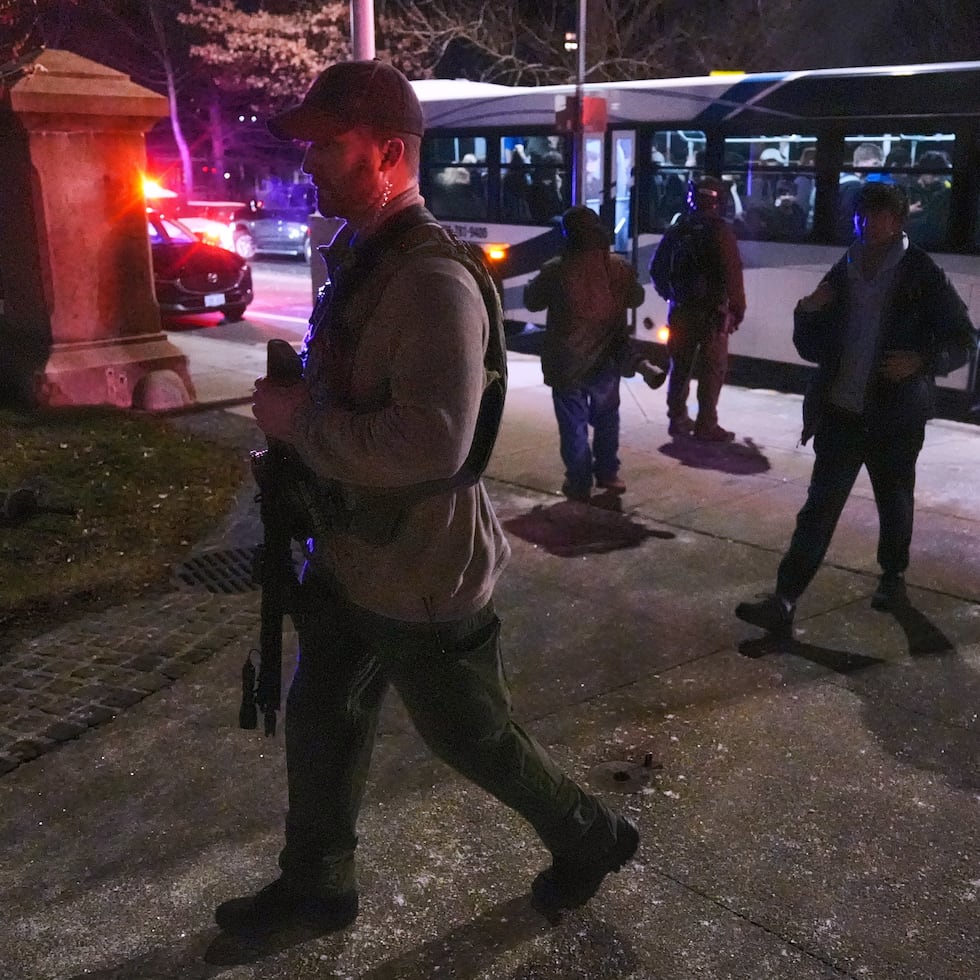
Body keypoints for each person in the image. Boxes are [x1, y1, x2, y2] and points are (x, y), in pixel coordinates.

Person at [217, 59, 638, 937]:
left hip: (421, 571)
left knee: (473, 737)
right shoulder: (369, 260)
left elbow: (429, 444)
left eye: (332, 146)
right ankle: (317, 885)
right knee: (323, 714)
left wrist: (299, 423)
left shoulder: (429, 280)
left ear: (391, 154)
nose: (311, 165)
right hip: (349, 555)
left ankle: (589, 834)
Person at [735, 183, 976, 635]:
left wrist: (922, 360)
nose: (865, 223)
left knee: (895, 500)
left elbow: (965, 338)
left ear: (898, 220)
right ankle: (784, 600)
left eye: (876, 215)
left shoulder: (921, 272)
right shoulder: (844, 269)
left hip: (893, 418)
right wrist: (806, 311)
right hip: (841, 413)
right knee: (817, 510)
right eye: (861, 216)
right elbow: (811, 348)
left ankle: (892, 576)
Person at [523, 205, 660, 502]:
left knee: (573, 425)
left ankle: (579, 482)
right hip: (606, 360)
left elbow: (532, 302)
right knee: (607, 418)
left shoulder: (556, 268)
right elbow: (636, 297)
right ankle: (608, 473)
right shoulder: (617, 267)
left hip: (566, 363)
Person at [649, 175, 747, 441]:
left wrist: (671, 295)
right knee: (712, 370)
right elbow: (732, 274)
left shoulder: (679, 228)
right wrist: (737, 310)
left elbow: (656, 269)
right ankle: (706, 424)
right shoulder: (721, 231)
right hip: (712, 314)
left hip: (681, 311)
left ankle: (677, 419)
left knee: (679, 367)